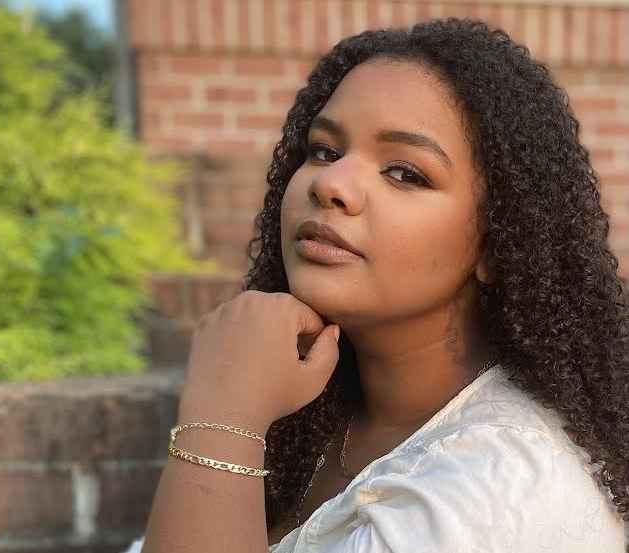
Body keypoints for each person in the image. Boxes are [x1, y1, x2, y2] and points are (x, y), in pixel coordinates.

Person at [123, 18, 629, 553]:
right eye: (324, 150)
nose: (331, 184)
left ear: (497, 243)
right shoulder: (308, 416)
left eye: (405, 173)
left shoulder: (504, 487)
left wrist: (221, 417)